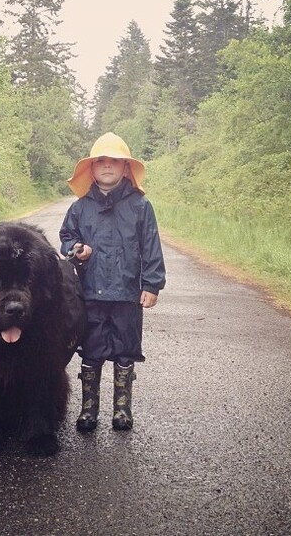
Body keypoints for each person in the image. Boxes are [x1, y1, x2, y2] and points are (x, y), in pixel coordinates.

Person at [59, 131, 166, 431]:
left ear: (126, 168)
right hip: (90, 293)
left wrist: (152, 285)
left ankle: (122, 410)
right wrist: (75, 250)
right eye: (101, 161)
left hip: (128, 295)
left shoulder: (141, 206)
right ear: (91, 169)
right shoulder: (79, 207)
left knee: (125, 349)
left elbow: (151, 247)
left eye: (115, 161)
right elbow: (67, 238)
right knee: (91, 350)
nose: (108, 166)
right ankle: (88, 410)